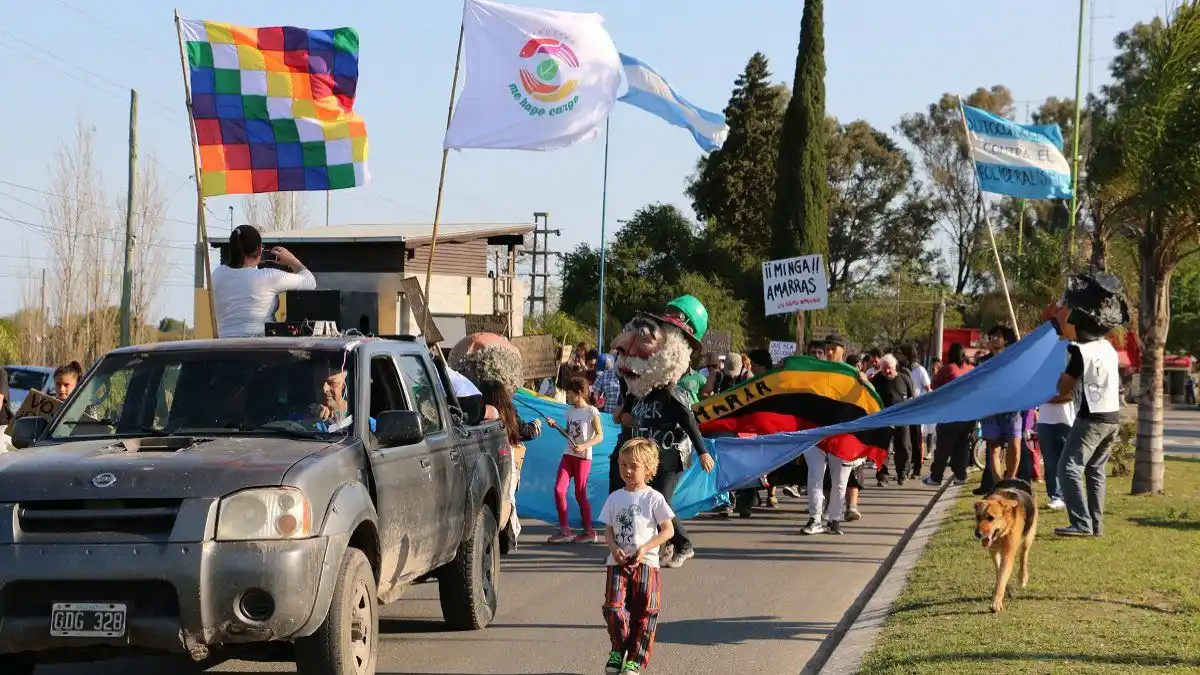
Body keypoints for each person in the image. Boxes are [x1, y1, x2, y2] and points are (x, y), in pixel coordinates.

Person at [612, 296, 715, 568]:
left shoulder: (673, 393)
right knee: (649, 499)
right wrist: (623, 414)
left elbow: (689, 421)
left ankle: (684, 544)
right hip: (649, 455)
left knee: (660, 502)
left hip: (672, 455)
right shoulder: (641, 390)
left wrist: (703, 452)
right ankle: (663, 545)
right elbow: (625, 411)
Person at [1053, 272, 1130, 537]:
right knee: (1095, 470)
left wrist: (1059, 377)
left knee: (1068, 467)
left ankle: (1081, 523)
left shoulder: (1079, 352)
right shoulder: (1106, 347)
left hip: (1091, 418)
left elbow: (1062, 388)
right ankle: (1096, 525)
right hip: (1112, 418)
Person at [600, 438, 674, 675]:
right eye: (623, 465)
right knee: (614, 608)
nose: (627, 471)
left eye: (634, 466)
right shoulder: (614, 498)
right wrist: (613, 547)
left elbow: (668, 530)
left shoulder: (653, 498)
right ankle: (617, 650)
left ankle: (635, 658)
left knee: (645, 612)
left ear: (649, 468)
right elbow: (608, 529)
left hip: (647, 564)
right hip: (617, 563)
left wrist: (645, 548)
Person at [211, 225, 316, 338]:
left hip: (224, 346)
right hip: (259, 347)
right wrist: (292, 260)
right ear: (258, 249)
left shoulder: (217, 274)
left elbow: (240, 278)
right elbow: (310, 282)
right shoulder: (268, 277)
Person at [547, 377, 604, 544]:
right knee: (559, 490)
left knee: (580, 494)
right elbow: (568, 433)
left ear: (579, 393)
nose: (567, 397)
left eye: (570, 394)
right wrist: (556, 426)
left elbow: (600, 436)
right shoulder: (570, 411)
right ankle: (565, 530)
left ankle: (589, 531)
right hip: (568, 455)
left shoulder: (592, 412)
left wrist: (584, 446)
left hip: (583, 458)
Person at [974, 325, 1022, 495]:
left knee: (1015, 447)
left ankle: (1010, 479)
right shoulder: (982, 362)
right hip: (990, 411)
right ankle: (999, 485)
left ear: (1005, 340)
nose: (994, 339)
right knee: (994, 448)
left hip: (1012, 409)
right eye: (991, 336)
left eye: (998, 336)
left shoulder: (1014, 359)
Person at [923, 344, 975, 486]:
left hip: (949, 415)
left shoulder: (948, 369)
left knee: (943, 449)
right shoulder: (972, 369)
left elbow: (934, 386)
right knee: (962, 447)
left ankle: (935, 477)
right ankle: (960, 476)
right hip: (968, 417)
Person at [870, 354, 915, 486]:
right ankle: (882, 477)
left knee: (904, 447)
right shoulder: (877, 379)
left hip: (902, 418)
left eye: (889, 368)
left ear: (894, 366)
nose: (887, 372)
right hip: (883, 419)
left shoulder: (904, 378)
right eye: (884, 369)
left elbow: (912, 397)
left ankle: (902, 473)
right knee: (881, 448)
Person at [903, 345, 932, 478]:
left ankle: (917, 468)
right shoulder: (901, 370)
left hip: (916, 410)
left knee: (916, 439)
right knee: (905, 440)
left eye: (901, 354)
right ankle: (906, 467)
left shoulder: (920, 370)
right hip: (904, 409)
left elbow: (928, 388)